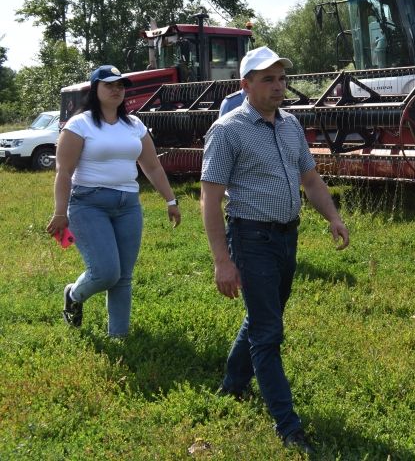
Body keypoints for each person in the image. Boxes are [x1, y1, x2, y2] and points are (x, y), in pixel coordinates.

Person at [200, 45, 351, 454]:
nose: (278, 86)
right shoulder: (228, 130)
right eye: (268, 79)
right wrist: (222, 261)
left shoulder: (291, 126)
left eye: (282, 78)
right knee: (268, 331)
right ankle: (289, 426)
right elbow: (210, 198)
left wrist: (333, 218)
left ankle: (231, 386)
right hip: (251, 238)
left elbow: (312, 180)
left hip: (288, 236)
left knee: (264, 317)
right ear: (246, 85)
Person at [46, 65, 181, 336]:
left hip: (128, 205)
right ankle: (74, 295)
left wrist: (170, 200)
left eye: (120, 85)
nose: (116, 90)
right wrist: (60, 212)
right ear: (95, 89)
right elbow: (64, 172)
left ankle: (118, 337)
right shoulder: (79, 125)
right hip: (88, 203)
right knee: (107, 272)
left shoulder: (134, 125)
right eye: (109, 85)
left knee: (124, 277)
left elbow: (152, 166)